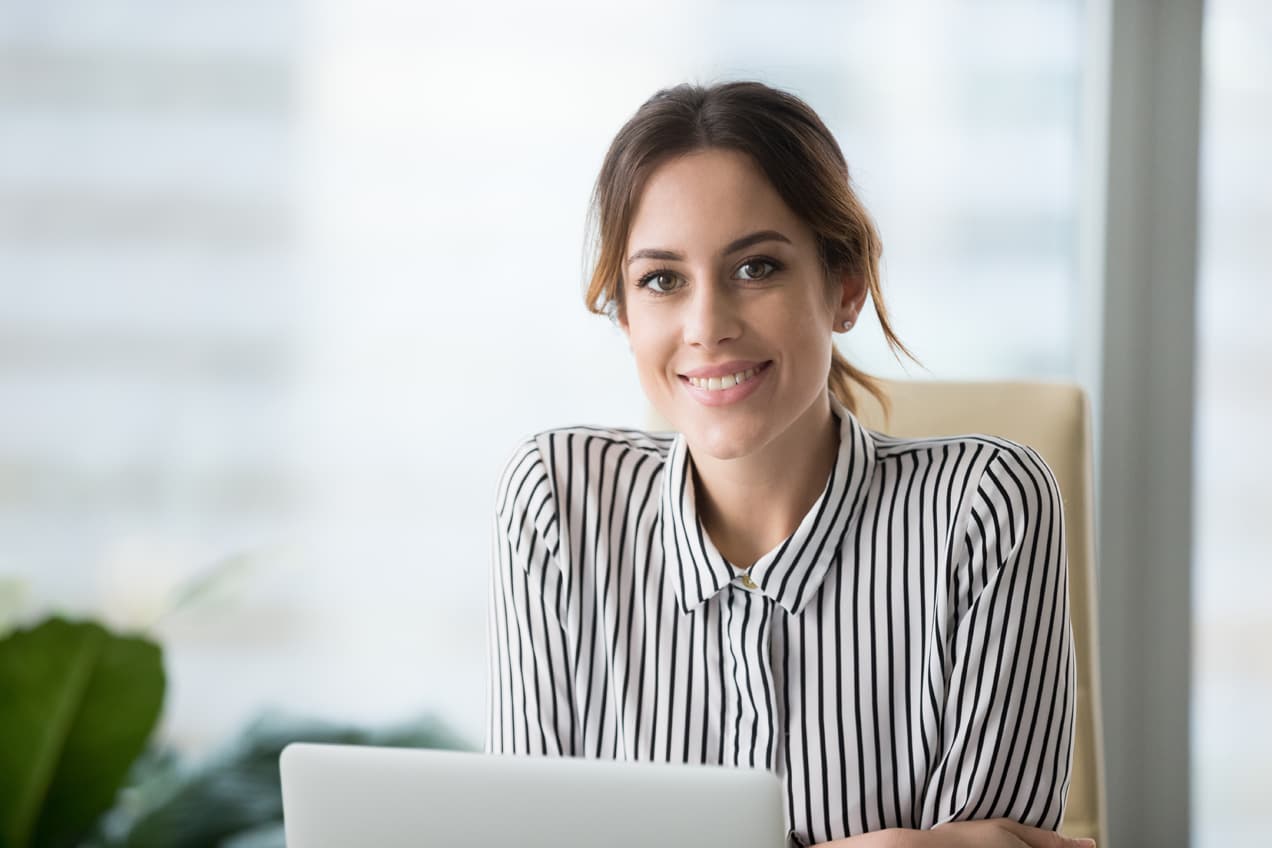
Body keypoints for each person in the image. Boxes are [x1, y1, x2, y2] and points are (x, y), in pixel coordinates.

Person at [485, 80, 1084, 848]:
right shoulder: (556, 502)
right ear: (626, 315)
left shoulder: (984, 508)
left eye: (756, 268)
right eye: (662, 280)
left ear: (844, 287)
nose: (707, 327)